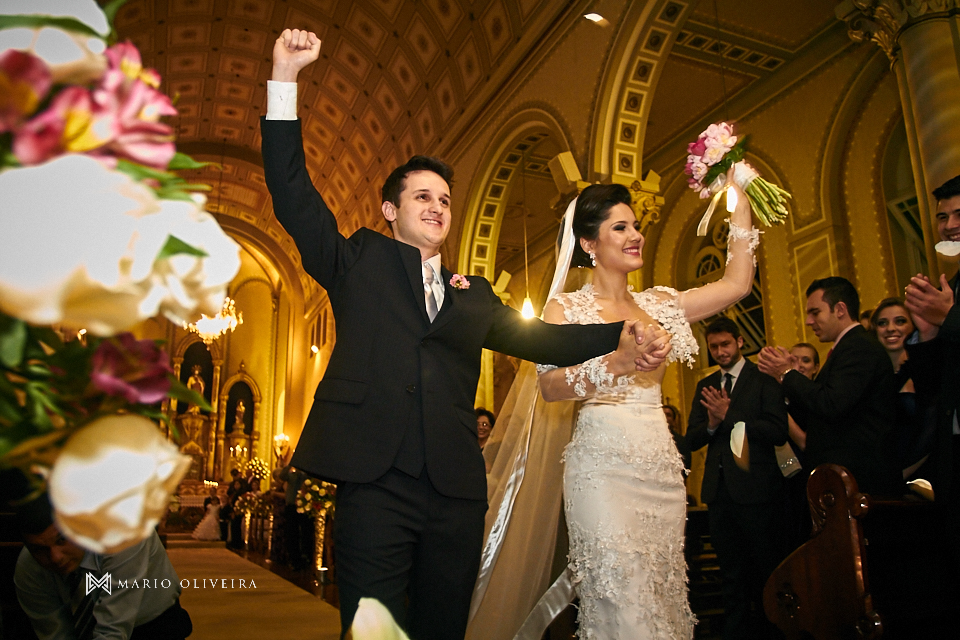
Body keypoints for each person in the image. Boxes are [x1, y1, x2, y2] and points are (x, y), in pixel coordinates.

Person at [261, 29, 671, 640]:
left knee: (443, 628)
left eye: (445, 199)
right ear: (389, 210)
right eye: (421, 195)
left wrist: (623, 333)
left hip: (454, 491)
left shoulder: (472, 293)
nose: (436, 206)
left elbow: (544, 343)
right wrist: (285, 77)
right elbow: (292, 192)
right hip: (375, 484)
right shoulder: (357, 261)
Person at [469, 174, 758, 640]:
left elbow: (738, 282)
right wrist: (617, 363)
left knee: (661, 597)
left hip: (659, 471)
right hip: (600, 469)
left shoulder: (661, 304)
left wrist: (738, 197)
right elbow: (550, 386)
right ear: (589, 242)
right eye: (620, 227)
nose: (636, 235)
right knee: (617, 598)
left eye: (636, 225)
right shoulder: (565, 309)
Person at [686, 317, 788, 640]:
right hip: (719, 494)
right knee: (730, 578)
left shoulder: (763, 380)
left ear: (740, 342)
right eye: (713, 347)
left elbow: (776, 431)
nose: (720, 352)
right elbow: (691, 439)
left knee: (764, 572)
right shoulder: (706, 387)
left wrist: (731, 417)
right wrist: (713, 425)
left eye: (725, 345)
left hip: (756, 491)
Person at [758, 277, 900, 495]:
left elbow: (832, 403)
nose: (808, 321)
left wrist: (787, 374)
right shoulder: (847, 347)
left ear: (840, 309)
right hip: (843, 478)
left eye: (815, 312)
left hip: (861, 480)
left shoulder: (858, 347)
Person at [14, 494, 192, 640]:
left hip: (153, 628)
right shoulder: (28, 568)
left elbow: (112, 630)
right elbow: (54, 632)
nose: (55, 557)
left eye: (62, 539)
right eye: (40, 549)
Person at [904, 173, 960, 584]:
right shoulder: (951, 286)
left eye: (959, 214)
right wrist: (927, 332)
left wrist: (950, 318)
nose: (950, 225)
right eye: (942, 217)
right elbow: (931, 390)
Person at [663, 403, 691, 472]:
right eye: (662, 414)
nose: (665, 417)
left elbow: (686, 465)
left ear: (674, 421)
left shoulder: (682, 441)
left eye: (668, 415)